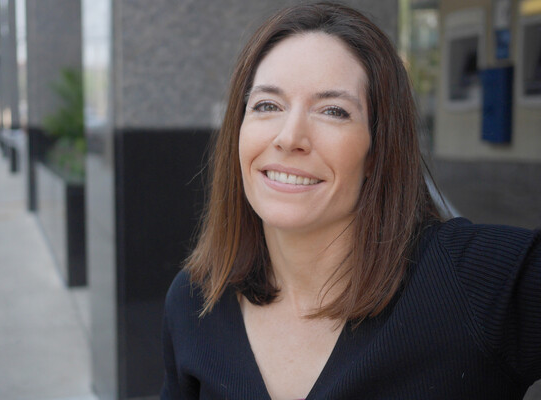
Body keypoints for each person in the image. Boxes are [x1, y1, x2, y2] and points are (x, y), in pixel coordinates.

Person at [160, 2, 541, 399]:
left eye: (333, 111)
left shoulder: (469, 279)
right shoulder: (194, 301)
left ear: (377, 151)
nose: (289, 137)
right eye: (267, 105)